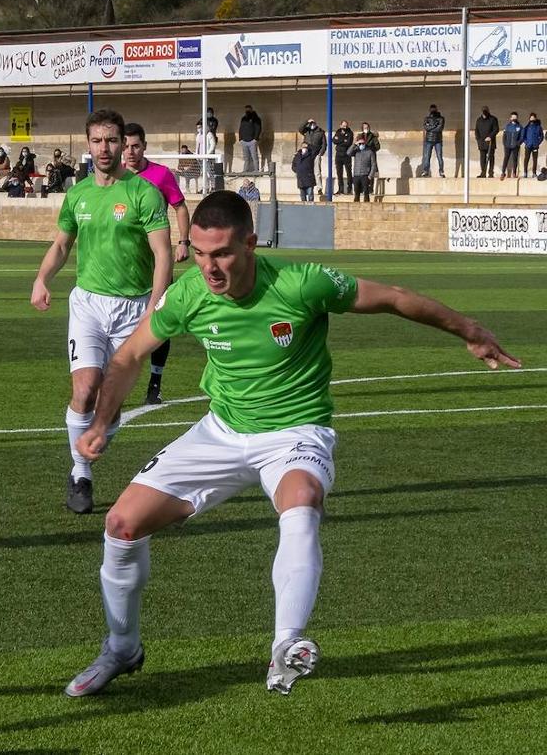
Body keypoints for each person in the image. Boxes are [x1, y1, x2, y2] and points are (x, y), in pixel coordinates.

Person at [63, 190, 519, 699]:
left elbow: (392, 297)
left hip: (295, 433)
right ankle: (122, 647)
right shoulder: (190, 294)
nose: (209, 267)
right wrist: (102, 422)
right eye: (199, 252)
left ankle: (287, 644)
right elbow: (127, 357)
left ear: (251, 244)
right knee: (121, 525)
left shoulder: (303, 283)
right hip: (222, 431)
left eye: (223, 254)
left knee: (301, 498)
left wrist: (469, 329)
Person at [30, 109, 172, 515]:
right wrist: (42, 279)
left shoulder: (143, 193)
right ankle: (80, 474)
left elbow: (163, 254)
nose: (105, 148)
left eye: (113, 141)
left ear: (123, 144)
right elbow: (61, 245)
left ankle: (91, 448)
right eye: (97, 141)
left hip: (134, 309)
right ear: (88, 145)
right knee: (85, 388)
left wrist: (154, 307)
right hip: (89, 304)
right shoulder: (78, 194)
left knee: (110, 400)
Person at [122, 122, 192, 405]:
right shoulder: (113, 177)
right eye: (125, 146)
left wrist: (183, 241)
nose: (130, 152)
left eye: (135, 146)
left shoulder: (160, 175)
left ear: (144, 146)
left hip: (156, 261)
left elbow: (180, 206)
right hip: (123, 263)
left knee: (159, 321)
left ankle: (155, 382)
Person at [348, 135, 377, 202]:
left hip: (365, 175)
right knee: (356, 193)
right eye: (360, 143)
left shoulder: (370, 152)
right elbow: (348, 153)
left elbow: (373, 164)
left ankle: (367, 207)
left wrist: (370, 176)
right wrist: (354, 144)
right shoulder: (356, 151)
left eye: (363, 143)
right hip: (356, 175)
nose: (361, 145)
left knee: (366, 193)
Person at [299, 119, 327, 186]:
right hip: (307, 153)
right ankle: (307, 186)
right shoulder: (307, 130)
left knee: (317, 172)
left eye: (313, 123)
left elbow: (324, 144)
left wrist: (320, 153)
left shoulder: (320, 132)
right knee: (307, 170)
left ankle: (319, 188)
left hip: (316, 154)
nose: (312, 125)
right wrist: (307, 121)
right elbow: (300, 129)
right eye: (311, 123)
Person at [420, 104, 445, 177]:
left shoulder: (441, 118)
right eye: (432, 109)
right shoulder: (427, 118)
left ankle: (441, 171)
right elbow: (425, 127)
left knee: (439, 157)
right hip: (428, 140)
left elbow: (439, 128)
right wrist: (435, 125)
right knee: (427, 156)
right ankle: (425, 171)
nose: (433, 110)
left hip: (438, 140)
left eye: (434, 109)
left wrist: (431, 127)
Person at [475, 106, 499, 178]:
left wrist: (490, 136)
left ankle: (491, 173)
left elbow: (496, 129)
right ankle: (483, 172)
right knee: (482, 158)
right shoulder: (479, 120)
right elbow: (476, 131)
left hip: (490, 142)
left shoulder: (493, 119)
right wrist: (478, 139)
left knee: (491, 158)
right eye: (483, 111)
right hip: (482, 142)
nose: (484, 112)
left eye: (486, 111)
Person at [238, 105, 262, 173]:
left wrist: (255, 139)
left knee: (254, 157)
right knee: (246, 158)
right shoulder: (243, 118)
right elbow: (241, 128)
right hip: (244, 141)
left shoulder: (256, 118)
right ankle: (245, 170)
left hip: (252, 141)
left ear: (251, 109)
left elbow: (258, 128)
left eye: (248, 109)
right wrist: (240, 139)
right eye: (246, 110)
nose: (247, 111)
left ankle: (256, 170)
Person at [331, 121, 354, 194]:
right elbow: (334, 140)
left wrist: (339, 140)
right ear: (340, 125)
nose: (345, 127)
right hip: (338, 155)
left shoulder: (350, 132)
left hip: (347, 155)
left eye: (346, 126)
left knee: (348, 172)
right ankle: (340, 189)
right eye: (343, 126)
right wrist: (343, 139)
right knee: (339, 173)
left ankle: (349, 189)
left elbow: (348, 142)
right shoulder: (338, 131)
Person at [501, 111, 523, 180]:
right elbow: (504, 136)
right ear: (510, 118)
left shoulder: (519, 127)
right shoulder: (507, 126)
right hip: (507, 145)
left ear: (517, 118)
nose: (514, 118)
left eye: (515, 117)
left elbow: (522, 137)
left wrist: (518, 143)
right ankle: (503, 172)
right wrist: (504, 143)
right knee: (506, 159)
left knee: (515, 159)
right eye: (512, 117)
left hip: (515, 146)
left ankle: (514, 173)